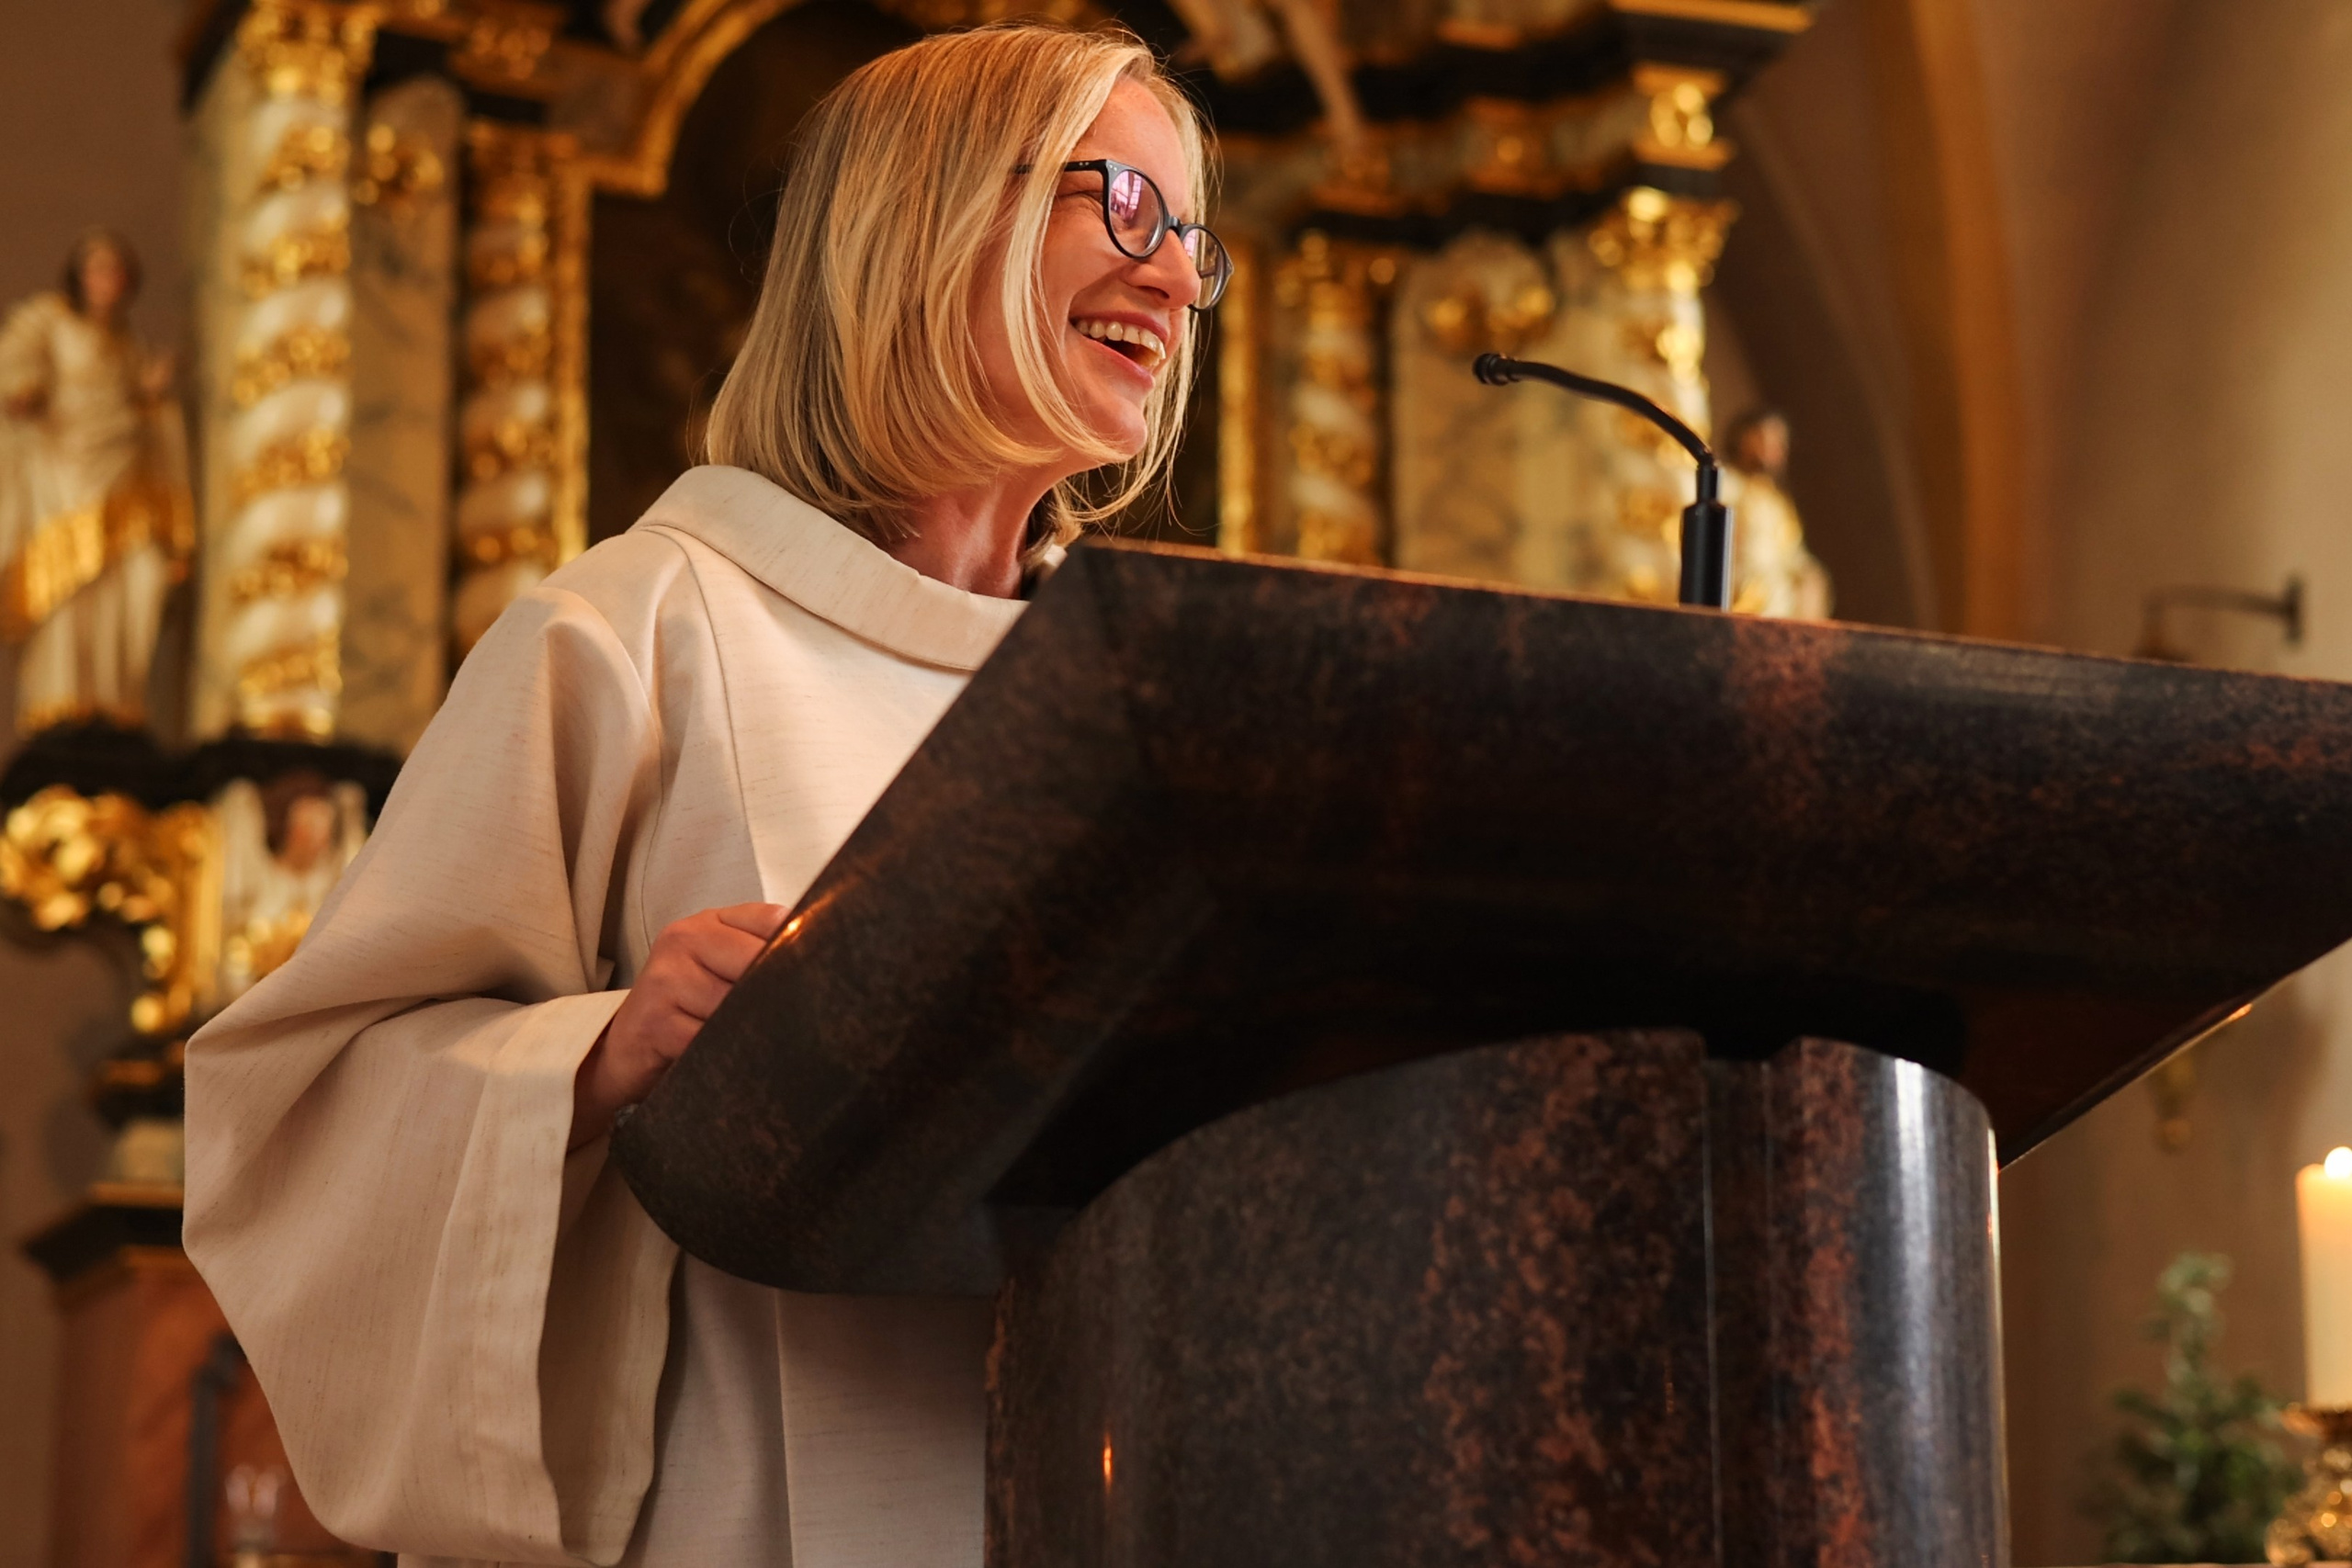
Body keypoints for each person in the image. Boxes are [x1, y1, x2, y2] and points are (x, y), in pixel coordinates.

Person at [183, 24, 1227, 1567]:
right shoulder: (642, 627)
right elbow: (301, 1118)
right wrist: (596, 1055)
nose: (1168, 277)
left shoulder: (1167, 705)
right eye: (1122, 208)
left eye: (1191, 240)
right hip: (747, 1503)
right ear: (923, 218)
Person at [0, 229, 193, 734]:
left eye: (115, 269)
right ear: (78, 276)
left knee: (142, 581)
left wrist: (151, 399)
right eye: (96, 267)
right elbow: (17, 360)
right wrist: (23, 388)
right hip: (66, 485)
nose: (106, 279)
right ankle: (59, 712)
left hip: (123, 490)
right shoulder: (52, 320)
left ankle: (117, 707)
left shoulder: (130, 347)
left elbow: (147, 420)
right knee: (69, 599)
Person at [1720, 407, 1831, 620]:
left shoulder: (1777, 502)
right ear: (1744, 438)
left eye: (1780, 443)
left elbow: (1792, 554)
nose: (1775, 449)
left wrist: (1808, 578)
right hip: (1740, 586)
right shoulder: (1725, 485)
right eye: (1766, 439)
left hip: (1776, 594)